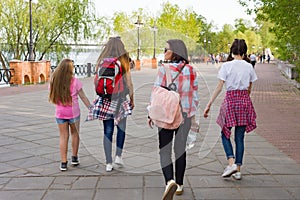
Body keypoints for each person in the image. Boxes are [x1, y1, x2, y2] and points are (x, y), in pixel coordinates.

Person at [148, 39, 199, 199]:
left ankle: (169, 181)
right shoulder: (191, 70)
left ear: (174, 52)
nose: (164, 53)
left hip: (167, 115)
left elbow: (156, 93)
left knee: (164, 149)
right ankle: (179, 185)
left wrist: (151, 112)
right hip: (185, 115)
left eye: (166, 50)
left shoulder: (164, 69)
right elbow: (195, 95)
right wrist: (192, 116)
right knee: (180, 150)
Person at [203, 39, 257, 180]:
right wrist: (245, 99)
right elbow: (250, 87)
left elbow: (219, 87)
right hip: (244, 100)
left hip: (230, 101)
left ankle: (231, 163)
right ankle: (238, 170)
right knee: (240, 138)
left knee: (225, 134)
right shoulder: (249, 66)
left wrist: (209, 104)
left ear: (232, 51)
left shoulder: (226, 66)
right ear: (244, 51)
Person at [86, 37, 134, 172]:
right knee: (122, 128)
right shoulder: (123, 61)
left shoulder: (101, 61)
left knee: (107, 131)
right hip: (120, 99)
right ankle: (118, 156)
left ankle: (108, 163)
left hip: (105, 100)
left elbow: (95, 82)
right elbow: (129, 83)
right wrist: (132, 99)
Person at [49, 58, 92, 171]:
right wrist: (90, 108)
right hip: (74, 113)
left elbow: (52, 95)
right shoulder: (75, 81)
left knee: (63, 136)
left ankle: (63, 162)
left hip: (60, 113)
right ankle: (74, 158)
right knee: (75, 134)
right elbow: (83, 96)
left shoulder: (54, 81)